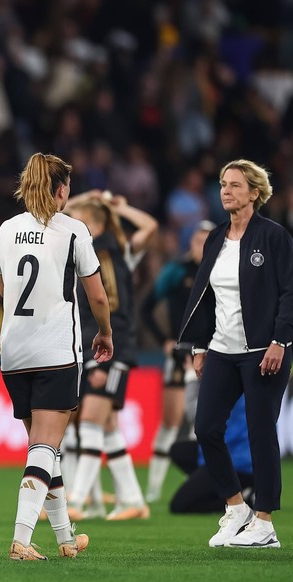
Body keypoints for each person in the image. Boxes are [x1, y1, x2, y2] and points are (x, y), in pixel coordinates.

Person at [0, 153, 113, 560]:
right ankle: (22, 540)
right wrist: (106, 332)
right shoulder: (73, 230)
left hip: (13, 351)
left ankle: (65, 538)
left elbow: (1, 285)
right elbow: (97, 294)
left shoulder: (7, 230)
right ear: (62, 189)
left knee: (45, 447)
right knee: (45, 445)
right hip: (56, 349)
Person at [179, 159, 293, 549]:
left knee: (263, 434)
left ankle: (265, 524)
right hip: (222, 351)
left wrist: (281, 340)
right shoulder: (215, 238)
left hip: (264, 351)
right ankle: (236, 508)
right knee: (206, 428)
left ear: (254, 193)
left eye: (235, 185)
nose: (226, 191)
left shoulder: (274, 236)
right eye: (224, 184)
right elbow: (203, 296)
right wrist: (198, 345)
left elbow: (289, 292)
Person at [64, 191, 157, 521]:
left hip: (113, 348)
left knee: (90, 421)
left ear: (99, 224)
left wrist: (123, 206)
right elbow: (65, 207)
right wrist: (92, 196)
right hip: (90, 346)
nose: (75, 225)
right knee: (107, 427)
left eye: (84, 222)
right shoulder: (81, 256)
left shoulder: (122, 252)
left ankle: (75, 501)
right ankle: (132, 500)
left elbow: (150, 226)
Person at [140, 220, 214, 502]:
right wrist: (165, 340)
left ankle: (205, 482)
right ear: (191, 242)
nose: (202, 247)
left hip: (214, 354)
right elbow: (147, 308)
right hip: (181, 354)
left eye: (208, 241)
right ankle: (154, 489)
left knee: (207, 424)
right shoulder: (177, 271)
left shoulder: (221, 271)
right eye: (198, 241)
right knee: (171, 423)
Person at [169, 396, 253, 514]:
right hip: (235, 453)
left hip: (235, 462)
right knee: (178, 451)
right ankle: (218, 488)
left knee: (179, 505)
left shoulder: (230, 390)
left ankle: (244, 500)